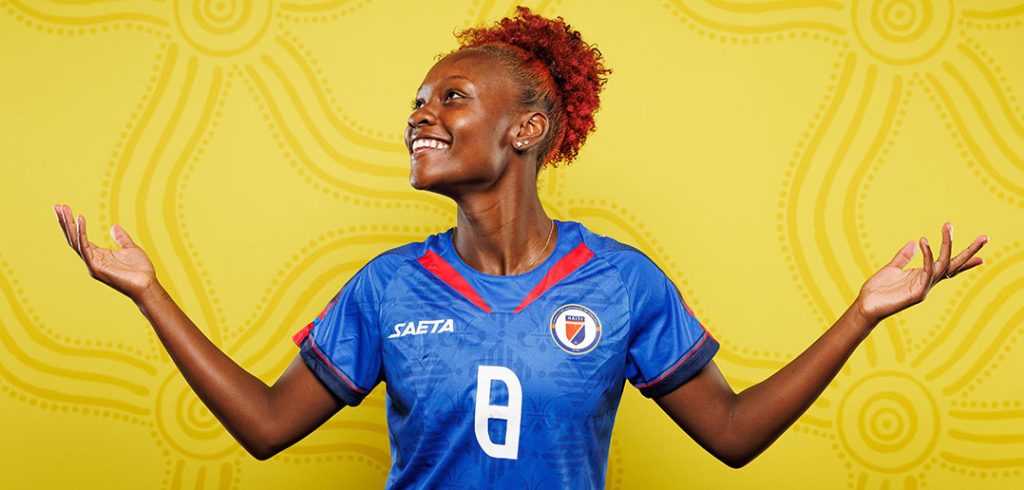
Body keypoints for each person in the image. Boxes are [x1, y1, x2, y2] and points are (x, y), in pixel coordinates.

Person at [52, 6, 988, 489]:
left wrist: (861, 315)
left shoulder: (622, 284)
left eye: (451, 97)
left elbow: (735, 438)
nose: (421, 114)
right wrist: (148, 293)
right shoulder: (389, 288)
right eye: (417, 101)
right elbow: (264, 428)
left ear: (529, 129)